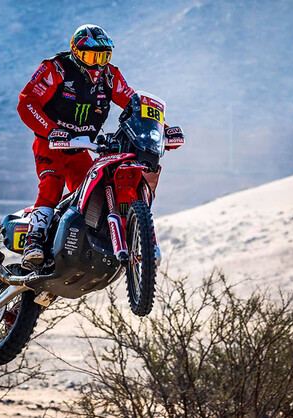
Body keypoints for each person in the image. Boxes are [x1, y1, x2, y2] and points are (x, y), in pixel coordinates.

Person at [17, 24, 183, 266]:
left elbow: (133, 103)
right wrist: (51, 130)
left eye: (103, 57)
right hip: (50, 144)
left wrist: (162, 129)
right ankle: (34, 240)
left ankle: (82, 241)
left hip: (81, 148)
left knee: (92, 193)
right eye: (90, 56)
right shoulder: (56, 69)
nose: (97, 64)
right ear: (76, 53)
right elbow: (27, 102)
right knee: (52, 183)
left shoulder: (110, 76)